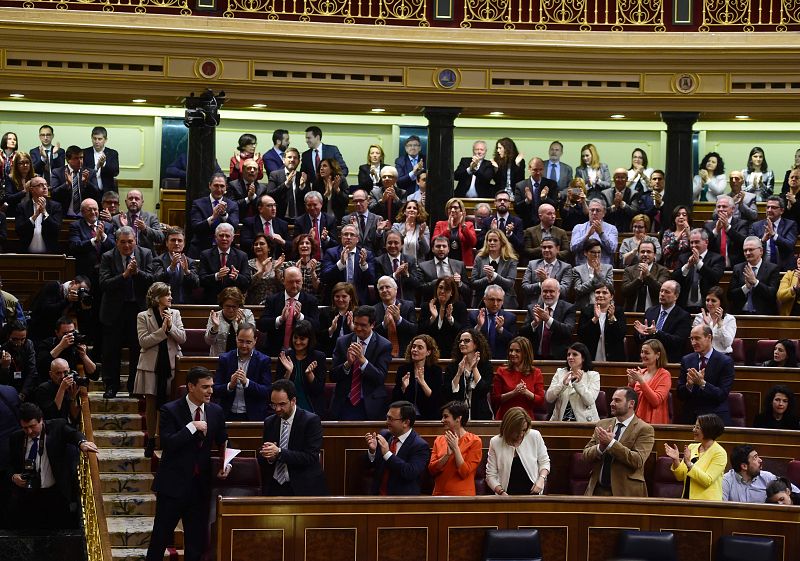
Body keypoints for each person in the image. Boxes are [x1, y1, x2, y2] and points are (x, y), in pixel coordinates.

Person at [145, 367, 231, 561]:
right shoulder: (170, 410)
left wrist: (227, 462)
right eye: (205, 387)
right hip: (172, 486)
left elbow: (224, 440)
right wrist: (191, 427)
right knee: (160, 538)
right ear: (191, 387)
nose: (210, 391)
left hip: (199, 487)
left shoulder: (216, 411)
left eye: (211, 386)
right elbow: (168, 443)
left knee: (195, 543)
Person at [7, 402, 98, 530]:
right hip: (28, 497)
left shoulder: (57, 427)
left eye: (32, 426)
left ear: (41, 420)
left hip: (55, 495)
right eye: (25, 427)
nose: (29, 431)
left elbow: (72, 434)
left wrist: (82, 443)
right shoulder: (16, 438)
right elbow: (9, 464)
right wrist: (13, 476)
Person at [99, 226, 154, 397]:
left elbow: (152, 280)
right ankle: (110, 385)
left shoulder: (145, 254)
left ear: (135, 241)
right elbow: (104, 284)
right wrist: (124, 275)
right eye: (123, 242)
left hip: (137, 309)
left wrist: (136, 273)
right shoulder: (108, 256)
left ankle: (134, 387)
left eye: (130, 241)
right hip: (114, 310)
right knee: (111, 350)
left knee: (137, 350)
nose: (127, 246)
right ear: (116, 243)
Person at [134, 283, 186, 458]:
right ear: (157, 298)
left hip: (171, 364)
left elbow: (182, 338)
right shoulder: (143, 316)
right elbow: (144, 341)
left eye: (171, 294)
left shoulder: (175, 314)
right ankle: (151, 440)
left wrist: (170, 327)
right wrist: (162, 331)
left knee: (169, 404)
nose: (171, 297)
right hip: (151, 366)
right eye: (167, 294)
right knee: (151, 404)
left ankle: (165, 438)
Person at [258, 379, 327, 496]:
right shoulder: (269, 422)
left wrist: (279, 452)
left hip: (302, 486)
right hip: (275, 486)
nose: (277, 409)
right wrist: (269, 456)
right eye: (273, 404)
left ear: (293, 401)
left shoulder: (311, 421)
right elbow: (265, 457)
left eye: (282, 404)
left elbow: (311, 457)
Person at [582, 387, 655, 497]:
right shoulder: (602, 424)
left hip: (627, 494)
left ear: (631, 403)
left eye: (617, 400)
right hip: (597, 492)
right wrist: (601, 447)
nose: (611, 403)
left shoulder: (644, 429)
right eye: (612, 400)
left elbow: (638, 461)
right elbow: (585, 455)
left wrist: (611, 444)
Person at [329, 306, 392, 421]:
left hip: (370, 403)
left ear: (372, 324)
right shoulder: (342, 342)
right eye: (356, 324)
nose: (358, 328)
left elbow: (380, 378)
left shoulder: (384, 345)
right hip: (344, 402)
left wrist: (363, 361)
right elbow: (332, 376)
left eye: (363, 325)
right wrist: (348, 364)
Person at [365, 400, 431, 495]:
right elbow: (368, 466)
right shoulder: (385, 435)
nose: (387, 422)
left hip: (402, 502)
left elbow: (410, 472)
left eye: (391, 419)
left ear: (406, 422)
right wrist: (372, 451)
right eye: (387, 417)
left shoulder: (420, 446)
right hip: (378, 497)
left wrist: (388, 454)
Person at [677, 325, 735, 425]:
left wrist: (702, 383)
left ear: (709, 337)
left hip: (715, 417)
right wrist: (689, 386)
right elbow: (680, 394)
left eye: (697, 338)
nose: (693, 342)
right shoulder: (686, 360)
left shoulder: (725, 361)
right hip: (691, 417)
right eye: (691, 339)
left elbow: (722, 394)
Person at [213, 323, 271, 422]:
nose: (244, 345)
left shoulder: (263, 360)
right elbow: (215, 390)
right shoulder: (225, 359)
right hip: (227, 414)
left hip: (253, 416)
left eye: (248, 342)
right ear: (236, 338)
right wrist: (230, 386)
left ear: (255, 341)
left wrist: (247, 383)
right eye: (241, 341)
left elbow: (267, 391)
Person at [486, 407, 551, 496]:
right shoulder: (495, 442)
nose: (521, 434)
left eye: (524, 430)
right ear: (508, 428)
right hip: (506, 496)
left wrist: (541, 479)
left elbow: (545, 462)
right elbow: (490, 476)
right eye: (517, 431)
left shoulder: (534, 436)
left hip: (533, 494)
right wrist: (501, 492)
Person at [665, 413, 727, 501]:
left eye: (697, 427)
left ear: (708, 430)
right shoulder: (692, 447)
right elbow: (680, 476)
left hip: (707, 504)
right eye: (694, 426)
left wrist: (689, 464)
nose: (694, 430)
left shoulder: (719, 453)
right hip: (687, 500)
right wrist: (676, 460)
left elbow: (707, 481)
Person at [428, 400, 482, 496]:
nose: (442, 420)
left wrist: (456, 449)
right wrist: (447, 455)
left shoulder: (475, 441)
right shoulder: (439, 440)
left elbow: (464, 472)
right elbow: (432, 470)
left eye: (445, 416)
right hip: (439, 495)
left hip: (463, 497)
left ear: (458, 418)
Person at [633, 280, 692, 364]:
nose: (662, 294)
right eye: (661, 291)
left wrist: (656, 332)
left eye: (667, 292)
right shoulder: (650, 311)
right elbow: (638, 339)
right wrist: (642, 335)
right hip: (648, 360)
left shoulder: (683, 316)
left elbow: (678, 341)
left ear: (676, 296)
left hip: (669, 361)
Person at [275, 321, 326, 416]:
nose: (298, 342)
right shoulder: (285, 356)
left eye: (302, 339)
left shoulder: (319, 357)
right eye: (295, 338)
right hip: (288, 409)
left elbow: (318, 390)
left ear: (309, 340)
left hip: (312, 409)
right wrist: (288, 372)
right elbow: (278, 389)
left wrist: (310, 375)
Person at [442, 328, 493, 421]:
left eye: (466, 341)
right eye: (460, 341)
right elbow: (449, 393)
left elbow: (483, 390)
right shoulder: (453, 366)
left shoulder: (485, 365)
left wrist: (474, 368)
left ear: (476, 344)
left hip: (480, 414)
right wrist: (459, 373)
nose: (462, 344)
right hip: (457, 416)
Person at [520, 278, 576, 361]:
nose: (548, 294)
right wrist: (534, 324)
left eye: (551, 291)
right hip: (535, 357)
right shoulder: (533, 308)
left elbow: (568, 330)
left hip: (559, 358)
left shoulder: (568, 308)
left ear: (558, 292)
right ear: (541, 292)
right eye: (545, 291)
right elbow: (522, 334)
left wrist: (548, 319)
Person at [671, 228, 725, 313]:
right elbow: (674, 279)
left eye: (696, 242)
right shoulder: (683, 258)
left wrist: (699, 263)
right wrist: (687, 266)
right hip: (684, 308)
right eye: (691, 242)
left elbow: (715, 277)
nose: (693, 245)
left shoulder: (717, 258)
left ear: (706, 242)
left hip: (707, 308)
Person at [321, 223, 375, 306]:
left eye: (352, 235)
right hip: (337, 300)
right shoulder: (331, 253)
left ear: (357, 239)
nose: (348, 237)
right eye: (346, 234)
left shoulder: (366, 254)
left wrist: (364, 265)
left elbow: (371, 280)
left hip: (359, 300)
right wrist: (341, 264)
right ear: (341, 237)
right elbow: (325, 277)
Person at [723, 444, 799, 503]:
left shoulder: (767, 477)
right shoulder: (726, 481)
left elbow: (796, 492)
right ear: (744, 466)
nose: (760, 460)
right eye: (755, 458)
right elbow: (721, 508)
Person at [187, 173, 240, 258]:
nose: (219, 189)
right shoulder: (198, 203)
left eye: (222, 186)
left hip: (225, 250)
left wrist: (224, 215)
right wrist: (212, 218)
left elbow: (234, 227)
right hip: (200, 249)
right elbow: (195, 227)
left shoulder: (232, 205)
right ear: (209, 186)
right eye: (216, 185)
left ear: (226, 187)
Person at [491, 337, 544, 420]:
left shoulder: (536, 373)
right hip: (505, 418)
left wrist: (526, 392)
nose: (512, 353)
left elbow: (540, 400)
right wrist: (514, 393)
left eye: (517, 351)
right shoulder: (501, 371)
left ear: (526, 353)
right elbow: (495, 399)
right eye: (511, 350)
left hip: (526, 419)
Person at [198, 222, 251, 304]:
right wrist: (217, 276)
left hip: (234, 302)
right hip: (211, 301)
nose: (224, 238)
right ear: (215, 237)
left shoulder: (242, 256)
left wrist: (237, 277)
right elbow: (201, 280)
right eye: (221, 235)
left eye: (227, 236)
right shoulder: (205, 255)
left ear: (233, 238)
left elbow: (247, 281)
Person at [392, 335, 443, 421]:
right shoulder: (403, 370)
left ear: (428, 352)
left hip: (429, 416)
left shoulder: (435, 370)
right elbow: (395, 399)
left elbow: (437, 400)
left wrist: (423, 383)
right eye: (414, 347)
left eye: (420, 347)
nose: (415, 350)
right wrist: (403, 388)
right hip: (406, 416)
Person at [35, 316, 98, 385]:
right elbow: (41, 366)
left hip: (71, 386)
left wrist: (84, 356)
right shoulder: (47, 343)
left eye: (72, 332)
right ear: (57, 332)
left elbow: (94, 375)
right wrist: (61, 346)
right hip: (50, 385)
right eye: (65, 334)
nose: (70, 336)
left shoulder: (77, 345)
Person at [545, 342, 599, 422]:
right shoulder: (560, 372)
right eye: (568, 354)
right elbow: (549, 398)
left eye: (574, 354)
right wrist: (562, 384)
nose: (570, 357)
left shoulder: (593, 375)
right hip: (560, 421)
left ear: (583, 358)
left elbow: (589, 401)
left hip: (585, 422)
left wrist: (578, 384)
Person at [727, 235, 780, 315]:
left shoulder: (772, 268)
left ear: (761, 251)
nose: (747, 253)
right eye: (745, 250)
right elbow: (730, 296)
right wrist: (746, 288)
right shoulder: (738, 268)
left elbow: (772, 294)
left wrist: (755, 282)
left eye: (751, 250)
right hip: (741, 314)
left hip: (764, 316)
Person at [418, 276, 468, 358]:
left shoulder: (459, 306)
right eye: (440, 288)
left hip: (452, 352)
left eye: (446, 289)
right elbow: (420, 331)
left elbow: (464, 331)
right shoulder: (427, 306)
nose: (442, 291)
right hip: (429, 352)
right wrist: (432, 318)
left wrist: (450, 320)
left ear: (452, 292)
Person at [625, 339, 671, 424]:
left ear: (657, 355)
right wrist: (631, 385)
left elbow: (655, 401)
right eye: (642, 352)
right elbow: (630, 400)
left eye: (647, 353)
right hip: (636, 420)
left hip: (655, 421)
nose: (643, 355)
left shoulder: (664, 375)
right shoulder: (641, 372)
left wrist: (641, 381)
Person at [14, 175, 64, 254]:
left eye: (46, 185)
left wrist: (45, 212)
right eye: (40, 185)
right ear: (31, 189)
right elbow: (19, 231)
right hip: (25, 255)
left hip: (50, 256)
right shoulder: (22, 207)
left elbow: (56, 229)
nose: (44, 187)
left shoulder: (56, 206)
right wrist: (34, 216)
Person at [471, 228, 519, 308]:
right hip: (481, 301)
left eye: (495, 240)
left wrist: (494, 276)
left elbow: (510, 284)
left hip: (505, 302)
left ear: (502, 242)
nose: (492, 243)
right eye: (489, 240)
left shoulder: (511, 260)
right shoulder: (479, 258)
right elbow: (473, 283)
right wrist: (488, 279)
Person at [577, 285, 626, 362]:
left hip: (613, 357)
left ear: (611, 296)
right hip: (590, 356)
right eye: (597, 292)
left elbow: (620, 335)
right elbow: (581, 334)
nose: (600, 295)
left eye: (604, 292)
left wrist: (612, 318)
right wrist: (595, 319)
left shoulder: (618, 311)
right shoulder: (586, 311)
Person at [372, 275, 417, 358]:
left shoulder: (408, 306)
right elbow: (371, 334)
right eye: (381, 288)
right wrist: (383, 325)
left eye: (387, 287)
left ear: (396, 290)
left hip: (405, 351)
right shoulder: (373, 310)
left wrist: (399, 319)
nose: (384, 290)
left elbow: (414, 330)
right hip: (381, 353)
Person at [468, 284, 517, 360]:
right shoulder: (474, 316)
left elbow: (514, 341)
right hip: (478, 360)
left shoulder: (510, 318)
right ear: (484, 299)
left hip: (502, 360)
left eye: (499, 300)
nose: (495, 304)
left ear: (503, 301)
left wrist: (500, 329)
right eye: (492, 299)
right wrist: (478, 326)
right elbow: (466, 339)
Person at [152, 227, 199, 305]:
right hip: (164, 304)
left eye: (180, 241)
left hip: (186, 305)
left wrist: (187, 272)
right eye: (173, 240)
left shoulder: (190, 262)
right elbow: (157, 281)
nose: (176, 243)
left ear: (184, 244)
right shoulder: (158, 260)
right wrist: (171, 268)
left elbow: (196, 284)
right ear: (166, 243)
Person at [621, 240, 670, 313]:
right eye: (642, 251)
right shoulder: (629, 270)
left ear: (654, 255)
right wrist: (639, 279)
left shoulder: (662, 270)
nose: (645, 254)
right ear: (638, 254)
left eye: (649, 252)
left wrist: (648, 275)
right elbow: (624, 292)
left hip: (655, 314)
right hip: (632, 313)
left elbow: (662, 291)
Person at [521, 235, 572, 306]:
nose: (546, 250)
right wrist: (540, 284)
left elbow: (564, 290)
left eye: (550, 247)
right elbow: (524, 287)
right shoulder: (532, 264)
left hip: (557, 305)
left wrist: (546, 280)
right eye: (544, 247)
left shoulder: (565, 267)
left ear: (557, 249)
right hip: (534, 304)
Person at [50, 145, 100, 217]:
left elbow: (97, 194)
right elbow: (53, 195)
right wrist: (67, 184)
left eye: (81, 158)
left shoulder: (90, 172)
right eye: (76, 158)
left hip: (85, 216)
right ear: (67, 159)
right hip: (63, 215)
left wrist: (86, 183)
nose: (80, 161)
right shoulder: (57, 172)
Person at [750, 196, 797, 272]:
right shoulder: (756, 226)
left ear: (781, 210)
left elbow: (790, 245)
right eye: (768, 207)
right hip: (762, 270)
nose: (769, 210)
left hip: (784, 269)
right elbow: (750, 247)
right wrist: (762, 241)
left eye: (773, 207)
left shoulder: (790, 225)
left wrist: (774, 235)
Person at [204, 287, 255, 357]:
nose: (231, 310)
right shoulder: (215, 316)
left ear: (239, 305)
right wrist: (215, 328)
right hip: (219, 359)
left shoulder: (247, 315)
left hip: (243, 359)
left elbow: (251, 340)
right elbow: (209, 342)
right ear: (222, 304)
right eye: (228, 306)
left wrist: (241, 325)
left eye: (234, 307)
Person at [419, 235, 471, 303]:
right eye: (438, 246)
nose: (441, 249)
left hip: (454, 304)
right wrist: (441, 281)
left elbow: (468, 291)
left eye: (444, 246)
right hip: (432, 303)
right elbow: (419, 289)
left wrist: (459, 283)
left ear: (448, 249)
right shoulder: (423, 266)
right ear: (432, 249)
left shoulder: (459, 265)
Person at [375, 230, 422, 303]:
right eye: (390, 243)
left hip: (407, 303)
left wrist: (407, 275)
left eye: (396, 243)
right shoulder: (379, 261)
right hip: (385, 303)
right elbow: (377, 283)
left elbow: (417, 284)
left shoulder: (410, 260)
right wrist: (395, 275)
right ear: (385, 244)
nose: (393, 246)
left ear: (402, 245)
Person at [704, 194, 750, 269]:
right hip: (714, 268)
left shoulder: (742, 224)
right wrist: (715, 231)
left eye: (724, 206)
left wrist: (728, 228)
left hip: (735, 267)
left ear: (733, 209)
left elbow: (744, 242)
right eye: (718, 207)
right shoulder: (709, 226)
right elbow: (705, 245)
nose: (721, 209)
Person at [112, 189, 164, 253]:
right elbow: (113, 241)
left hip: (146, 257)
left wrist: (145, 229)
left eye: (137, 199)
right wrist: (124, 227)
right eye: (130, 198)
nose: (133, 201)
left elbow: (160, 238)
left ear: (142, 202)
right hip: (124, 255)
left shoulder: (151, 217)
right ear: (126, 202)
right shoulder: (117, 219)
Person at [601, 167, 652, 233]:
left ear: (627, 179)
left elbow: (635, 213)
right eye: (617, 177)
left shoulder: (634, 193)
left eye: (622, 177)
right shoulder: (605, 193)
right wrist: (614, 207)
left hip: (628, 230)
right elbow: (602, 213)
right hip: (608, 230)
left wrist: (623, 204)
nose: (620, 180)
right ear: (613, 179)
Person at [569, 198, 618, 266]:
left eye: (598, 210)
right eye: (592, 210)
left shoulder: (612, 228)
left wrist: (601, 234)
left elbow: (612, 249)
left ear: (603, 213)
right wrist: (587, 236)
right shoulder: (578, 228)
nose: (594, 213)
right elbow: (573, 249)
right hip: (582, 269)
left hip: (603, 269)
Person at [513, 157, 558, 229]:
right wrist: (527, 201)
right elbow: (516, 209)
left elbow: (555, 206)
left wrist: (545, 198)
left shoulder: (551, 184)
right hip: (526, 226)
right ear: (529, 168)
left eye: (541, 169)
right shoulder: (520, 185)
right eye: (535, 170)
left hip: (546, 225)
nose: (538, 173)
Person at [240, 193, 289, 258]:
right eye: (269, 206)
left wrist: (282, 241)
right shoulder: (249, 222)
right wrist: (262, 243)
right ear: (260, 209)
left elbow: (291, 245)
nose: (273, 208)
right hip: (255, 259)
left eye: (274, 205)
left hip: (276, 260)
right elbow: (244, 243)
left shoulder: (282, 224)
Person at [692, 286, 737, 355]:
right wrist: (706, 325)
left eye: (713, 300)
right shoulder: (700, 317)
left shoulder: (729, 319)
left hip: (723, 356)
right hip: (703, 355)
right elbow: (696, 341)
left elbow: (727, 343)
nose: (709, 303)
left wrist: (720, 324)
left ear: (721, 303)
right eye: (707, 300)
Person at [432, 197, 477, 267]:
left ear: (461, 210)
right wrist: (448, 229)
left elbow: (473, 243)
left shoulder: (468, 225)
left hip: (464, 264)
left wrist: (463, 227)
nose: (452, 210)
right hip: (444, 264)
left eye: (455, 208)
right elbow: (434, 241)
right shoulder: (440, 224)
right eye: (450, 208)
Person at [33, 358, 80, 423]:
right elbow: (52, 414)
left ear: (69, 371)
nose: (62, 376)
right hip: (52, 428)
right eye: (58, 373)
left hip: (67, 426)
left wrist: (72, 398)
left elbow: (75, 418)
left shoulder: (72, 387)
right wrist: (62, 388)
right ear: (51, 374)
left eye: (65, 372)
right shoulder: (43, 389)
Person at [266, 147, 307, 221]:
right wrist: (286, 184)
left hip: (299, 219)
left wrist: (302, 187)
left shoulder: (303, 176)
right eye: (289, 157)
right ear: (283, 160)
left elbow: (307, 200)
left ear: (298, 161)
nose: (292, 160)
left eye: (295, 158)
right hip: (280, 218)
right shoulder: (275, 175)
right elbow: (269, 195)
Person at [571, 238, 614, 309]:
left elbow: (610, 287)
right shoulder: (577, 270)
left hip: (604, 308)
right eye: (593, 252)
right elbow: (578, 290)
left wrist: (599, 275)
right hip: (584, 308)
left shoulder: (608, 268)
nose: (597, 255)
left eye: (599, 252)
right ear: (585, 253)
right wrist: (594, 279)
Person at [0, 320, 37, 400]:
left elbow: (32, 371)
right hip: (9, 388)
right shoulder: (3, 349)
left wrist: (23, 393)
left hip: (26, 387)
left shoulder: (28, 344)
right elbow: (3, 381)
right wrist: (5, 367)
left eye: (22, 339)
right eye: (15, 339)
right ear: (8, 336)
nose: (19, 343)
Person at [319, 282, 357, 355]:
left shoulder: (358, 313)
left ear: (350, 297)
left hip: (353, 352)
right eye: (337, 296)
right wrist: (331, 329)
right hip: (330, 352)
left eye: (344, 296)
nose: (340, 299)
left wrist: (352, 328)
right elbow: (319, 337)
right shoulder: (325, 312)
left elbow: (364, 336)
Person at [279, 233, 322, 299]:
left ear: (312, 247)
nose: (304, 246)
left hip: (312, 301)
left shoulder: (318, 265)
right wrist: (296, 272)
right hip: (293, 299)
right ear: (297, 247)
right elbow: (283, 285)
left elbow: (318, 288)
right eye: (301, 243)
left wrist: (313, 273)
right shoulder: (290, 265)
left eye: (307, 243)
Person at [342, 188, 385, 253]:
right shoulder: (347, 220)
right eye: (355, 201)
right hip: (354, 256)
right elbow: (345, 243)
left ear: (368, 201)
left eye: (361, 201)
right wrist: (355, 229)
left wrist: (379, 231)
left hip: (373, 257)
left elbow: (380, 245)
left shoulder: (377, 219)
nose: (358, 204)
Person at [245, 233, 283, 305]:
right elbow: (247, 286)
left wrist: (277, 270)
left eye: (262, 244)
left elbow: (282, 287)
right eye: (256, 244)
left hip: (274, 305)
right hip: (253, 306)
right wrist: (261, 271)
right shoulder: (248, 264)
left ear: (269, 247)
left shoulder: (277, 264)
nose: (258, 246)